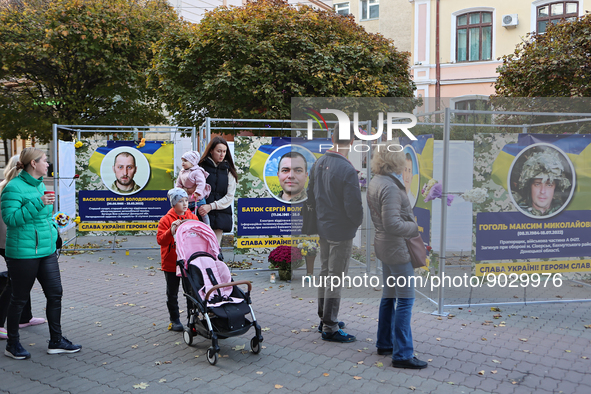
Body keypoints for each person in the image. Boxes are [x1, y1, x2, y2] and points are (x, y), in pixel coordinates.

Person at [2, 147, 81, 360]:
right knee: (18, 299)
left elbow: (43, 219)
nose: (48, 164)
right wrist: (39, 203)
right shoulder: (13, 188)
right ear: (33, 164)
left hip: (46, 251)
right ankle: (12, 344)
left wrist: (56, 230)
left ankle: (56, 340)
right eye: (45, 160)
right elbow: (11, 220)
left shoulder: (40, 186)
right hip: (23, 253)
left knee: (55, 294)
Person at [366, 142, 428, 369]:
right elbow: (392, 224)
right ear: (397, 160)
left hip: (386, 248)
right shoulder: (391, 186)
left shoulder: (377, 181)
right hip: (397, 249)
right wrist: (414, 228)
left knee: (389, 296)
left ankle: (384, 343)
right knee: (405, 300)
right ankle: (402, 354)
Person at [306, 124, 363, 343]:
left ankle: (325, 318)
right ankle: (329, 326)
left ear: (332, 138)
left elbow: (311, 195)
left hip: (324, 227)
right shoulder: (347, 169)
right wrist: (355, 224)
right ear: (351, 142)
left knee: (326, 272)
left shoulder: (320, 162)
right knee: (335, 277)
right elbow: (354, 207)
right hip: (340, 230)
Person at [0, 156, 46, 341]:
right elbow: (13, 218)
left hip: (17, 241)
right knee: (14, 282)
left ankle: (24, 318)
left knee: (22, 280)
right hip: (11, 242)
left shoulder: (21, 185)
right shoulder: (11, 187)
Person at [157, 188, 199, 331]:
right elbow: (161, 240)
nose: (185, 204)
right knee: (172, 293)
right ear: (173, 204)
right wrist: (171, 230)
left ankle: (192, 319)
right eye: (180, 201)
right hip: (171, 263)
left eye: (186, 200)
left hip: (188, 262)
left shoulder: (193, 217)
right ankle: (174, 320)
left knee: (191, 292)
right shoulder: (165, 220)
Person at [198, 137, 238, 245]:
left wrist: (211, 206)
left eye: (224, 151)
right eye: (219, 151)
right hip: (202, 214)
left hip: (221, 215)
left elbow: (230, 196)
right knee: (200, 249)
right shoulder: (200, 168)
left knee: (215, 249)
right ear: (211, 150)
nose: (222, 154)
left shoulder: (229, 171)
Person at [516, 149, 571, 216]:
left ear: (555, 187)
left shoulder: (566, 214)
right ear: (530, 186)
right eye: (537, 184)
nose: (542, 191)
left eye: (549, 185)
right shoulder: (515, 213)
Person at [175, 151, 211, 225]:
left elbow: (201, 183)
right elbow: (178, 183)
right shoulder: (182, 172)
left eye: (185, 161)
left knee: (202, 212)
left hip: (198, 198)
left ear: (192, 162)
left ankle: (207, 225)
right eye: (182, 161)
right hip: (187, 198)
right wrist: (178, 192)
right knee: (187, 213)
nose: (183, 163)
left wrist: (197, 192)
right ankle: (186, 226)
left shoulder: (197, 171)